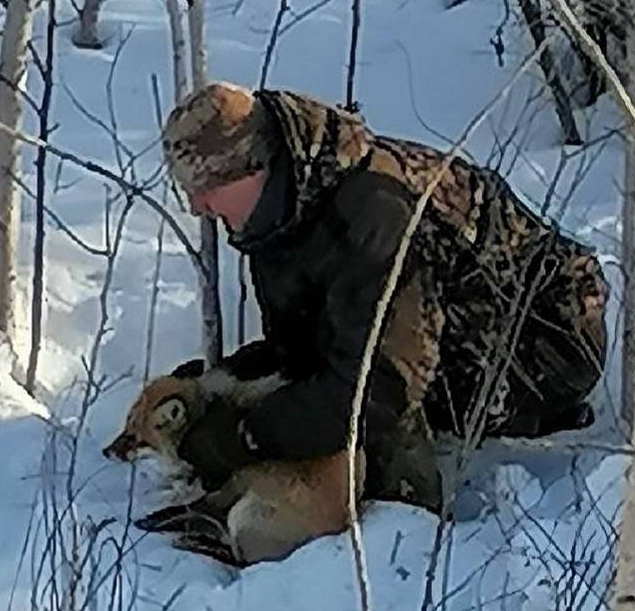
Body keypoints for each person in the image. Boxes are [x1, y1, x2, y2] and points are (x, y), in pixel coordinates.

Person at [160, 81, 608, 511]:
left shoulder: (371, 213)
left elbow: (381, 387)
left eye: (206, 188)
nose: (199, 207)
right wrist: (218, 389)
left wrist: (244, 437)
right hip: (460, 325)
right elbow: (299, 347)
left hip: (550, 343)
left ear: (254, 168)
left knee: (376, 412)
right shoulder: (282, 210)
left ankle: (406, 525)